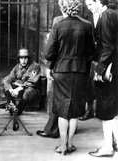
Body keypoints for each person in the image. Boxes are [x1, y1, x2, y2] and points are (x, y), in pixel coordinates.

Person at [44, 0, 95, 155]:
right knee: (75, 110)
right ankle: (71, 144)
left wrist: (57, 60)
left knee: (62, 110)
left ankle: (63, 146)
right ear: (78, 8)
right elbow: (91, 52)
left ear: (63, 8)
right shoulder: (86, 26)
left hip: (61, 71)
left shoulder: (58, 26)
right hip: (80, 72)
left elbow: (48, 53)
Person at [85, 0, 118, 157]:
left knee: (106, 109)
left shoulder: (105, 16)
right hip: (116, 68)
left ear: (99, 1)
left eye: (91, 3)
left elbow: (107, 47)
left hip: (109, 69)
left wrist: (100, 69)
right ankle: (113, 144)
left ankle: (108, 148)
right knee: (114, 110)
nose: (88, 7)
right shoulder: (114, 14)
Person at [36, 15, 64, 139]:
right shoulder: (86, 22)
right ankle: (67, 130)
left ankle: (52, 129)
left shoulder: (58, 20)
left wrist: (49, 67)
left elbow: (51, 49)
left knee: (54, 98)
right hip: (77, 69)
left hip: (59, 67)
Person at [0, 48, 41, 115]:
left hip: (31, 90)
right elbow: (8, 78)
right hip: (19, 89)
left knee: (28, 92)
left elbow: (31, 82)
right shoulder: (17, 67)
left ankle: (19, 109)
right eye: (21, 58)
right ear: (18, 59)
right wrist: (11, 90)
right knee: (5, 85)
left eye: (25, 58)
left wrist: (17, 89)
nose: (23, 61)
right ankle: (11, 105)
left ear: (29, 58)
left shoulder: (35, 66)